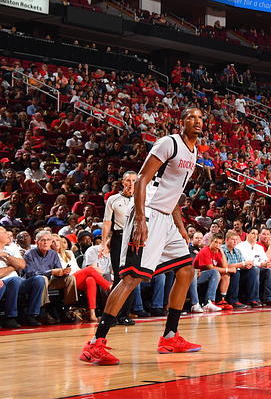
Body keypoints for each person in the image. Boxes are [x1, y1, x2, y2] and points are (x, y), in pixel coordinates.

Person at [79, 107, 204, 366]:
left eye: (201, 118)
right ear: (181, 122)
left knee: (185, 271)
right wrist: (139, 221)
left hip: (167, 217)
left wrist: (180, 225)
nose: (197, 121)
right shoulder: (169, 142)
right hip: (147, 214)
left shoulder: (194, 153)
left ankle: (170, 336)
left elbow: (171, 191)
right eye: (191, 117)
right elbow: (142, 180)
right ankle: (95, 344)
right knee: (131, 278)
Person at [100, 171, 139, 325]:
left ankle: (124, 314)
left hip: (136, 240)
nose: (131, 183)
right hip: (119, 238)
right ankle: (112, 315)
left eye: (134, 181)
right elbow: (107, 222)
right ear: (123, 182)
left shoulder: (142, 199)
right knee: (119, 277)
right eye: (128, 180)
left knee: (133, 277)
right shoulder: (113, 199)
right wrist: (103, 243)